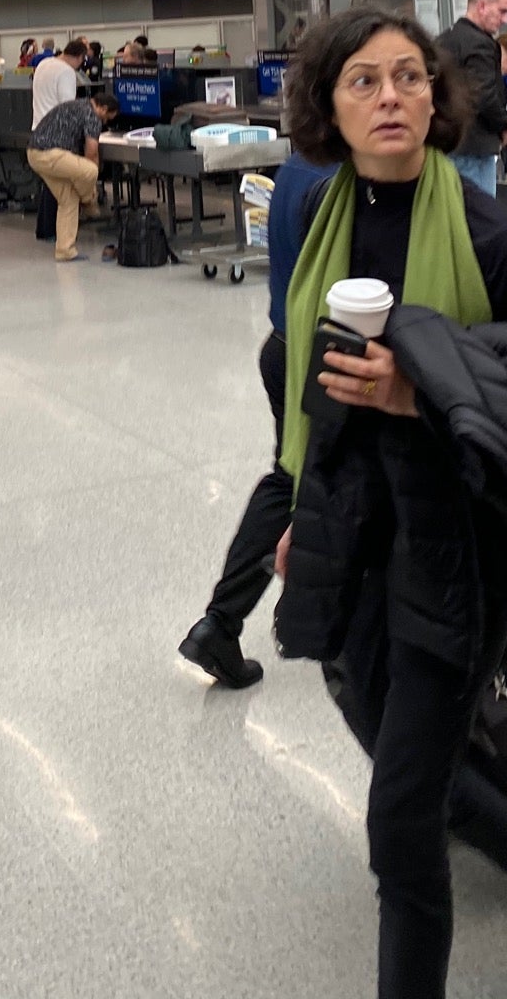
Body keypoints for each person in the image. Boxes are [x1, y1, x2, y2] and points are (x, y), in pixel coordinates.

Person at [273, 6, 507, 999]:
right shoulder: (320, 219)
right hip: (357, 533)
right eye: (365, 82)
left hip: (464, 553)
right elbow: (308, 381)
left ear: (437, 99)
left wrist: (422, 393)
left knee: (398, 824)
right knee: (409, 769)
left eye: (409, 78)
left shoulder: (492, 244)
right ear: (328, 110)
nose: (392, 96)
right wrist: (303, 512)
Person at [179, 147, 332, 687]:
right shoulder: (341, 179)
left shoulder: (297, 165)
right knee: (303, 482)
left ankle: (220, 625)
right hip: (321, 360)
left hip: (284, 346)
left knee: (290, 479)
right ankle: (226, 621)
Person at [436, 0, 507, 196]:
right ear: (482, 6)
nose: (505, 20)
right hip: (476, 146)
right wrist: (504, 124)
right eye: (502, 12)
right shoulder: (479, 43)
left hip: (449, 141)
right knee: (480, 216)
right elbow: (483, 94)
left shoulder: (444, 39)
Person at [26, 90, 118, 263]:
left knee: (68, 199)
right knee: (90, 170)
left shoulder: (76, 105)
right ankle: (89, 201)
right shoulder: (92, 116)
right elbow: (91, 153)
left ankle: (65, 250)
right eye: (107, 118)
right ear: (103, 108)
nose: (105, 122)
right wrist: (91, 188)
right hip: (51, 154)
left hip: (33, 153)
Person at [33, 36, 86, 128]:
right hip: (57, 130)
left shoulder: (43, 64)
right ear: (80, 57)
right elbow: (68, 106)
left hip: (38, 127)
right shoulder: (67, 71)